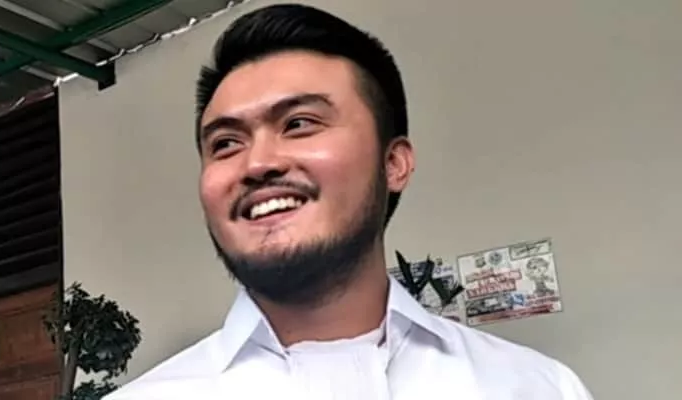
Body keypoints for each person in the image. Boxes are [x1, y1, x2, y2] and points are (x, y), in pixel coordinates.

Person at [105, 4, 593, 400]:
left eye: (299, 123)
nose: (257, 163)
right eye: (226, 143)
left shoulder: (536, 388)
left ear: (394, 163)